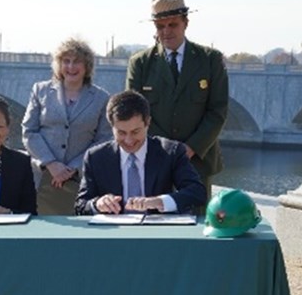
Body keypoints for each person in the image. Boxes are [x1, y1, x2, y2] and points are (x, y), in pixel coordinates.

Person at [125, 0, 228, 203]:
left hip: (197, 162)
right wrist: (164, 152)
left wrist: (189, 149)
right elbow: (132, 114)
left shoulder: (210, 60)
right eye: (160, 26)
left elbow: (217, 112)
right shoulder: (141, 64)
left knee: (195, 226)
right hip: (153, 160)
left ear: (185, 23)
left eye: (173, 25)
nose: (166, 32)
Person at [75, 91, 206, 215]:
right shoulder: (96, 157)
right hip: (114, 233)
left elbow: (197, 192)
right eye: (121, 133)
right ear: (111, 126)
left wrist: (160, 202)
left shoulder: (170, 152)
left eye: (135, 132)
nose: (129, 140)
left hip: (157, 231)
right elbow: (81, 205)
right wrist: (98, 204)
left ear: (148, 123)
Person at [22, 38, 112, 214]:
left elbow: (104, 139)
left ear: (87, 66)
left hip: (80, 179)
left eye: (77, 61)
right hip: (41, 178)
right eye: (66, 61)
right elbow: (29, 131)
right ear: (58, 64)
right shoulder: (40, 90)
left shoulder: (101, 98)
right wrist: (51, 163)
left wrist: (73, 167)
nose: (71, 67)